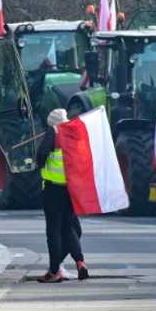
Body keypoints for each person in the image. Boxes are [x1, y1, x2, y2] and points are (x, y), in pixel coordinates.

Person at [36, 108, 90, 282]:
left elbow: (42, 154)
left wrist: (40, 164)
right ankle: (80, 262)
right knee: (69, 228)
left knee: (53, 231)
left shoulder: (54, 132)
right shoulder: (74, 133)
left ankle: (54, 271)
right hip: (71, 189)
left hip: (53, 189)